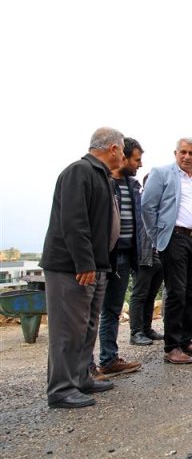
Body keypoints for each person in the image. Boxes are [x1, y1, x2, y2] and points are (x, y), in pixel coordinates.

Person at [40, 127, 124, 408]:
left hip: (96, 265)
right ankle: (61, 389)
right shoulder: (79, 171)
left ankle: (81, 378)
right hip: (71, 266)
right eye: (122, 150)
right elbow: (74, 220)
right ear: (113, 148)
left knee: (87, 327)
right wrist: (85, 262)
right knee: (68, 328)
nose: (123, 155)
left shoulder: (102, 176)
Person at [141, 138, 192, 365]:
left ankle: (186, 340)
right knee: (176, 292)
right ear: (175, 153)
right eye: (183, 152)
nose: (187, 156)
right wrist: (158, 236)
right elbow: (147, 206)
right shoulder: (162, 173)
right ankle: (171, 346)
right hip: (175, 239)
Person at [93, 137, 144, 378]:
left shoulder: (133, 186)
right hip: (103, 257)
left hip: (125, 255)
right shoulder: (101, 181)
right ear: (122, 156)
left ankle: (109, 359)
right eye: (137, 159)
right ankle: (85, 366)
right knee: (92, 312)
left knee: (112, 310)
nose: (140, 165)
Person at [128, 172, 165, 346]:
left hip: (159, 257)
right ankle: (136, 332)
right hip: (143, 256)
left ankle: (147, 328)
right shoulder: (140, 202)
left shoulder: (163, 206)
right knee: (139, 294)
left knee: (151, 294)